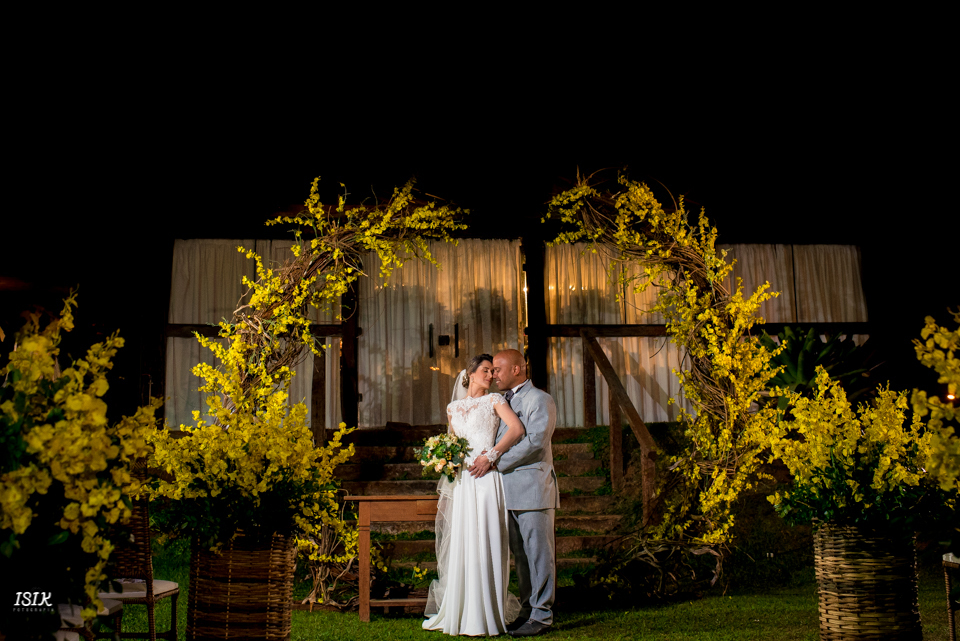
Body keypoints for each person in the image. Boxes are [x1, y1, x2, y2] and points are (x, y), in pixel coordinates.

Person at [422, 354, 525, 636]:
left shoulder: (495, 401)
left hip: (488, 479)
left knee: (487, 539)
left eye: (493, 371)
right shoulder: (453, 408)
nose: (490, 376)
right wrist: (444, 459)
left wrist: (491, 455)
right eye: (485, 370)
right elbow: (453, 443)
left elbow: (516, 429)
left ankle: (486, 613)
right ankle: (463, 608)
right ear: (469, 374)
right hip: (465, 482)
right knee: (465, 542)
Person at [469, 349, 559, 638]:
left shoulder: (539, 400)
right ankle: (526, 610)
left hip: (533, 488)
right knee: (520, 556)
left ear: (518, 369)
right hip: (502, 491)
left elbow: (534, 442)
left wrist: (495, 461)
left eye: (498, 369)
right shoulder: (498, 401)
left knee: (539, 553)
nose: (493, 374)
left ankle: (542, 615)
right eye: (491, 370)